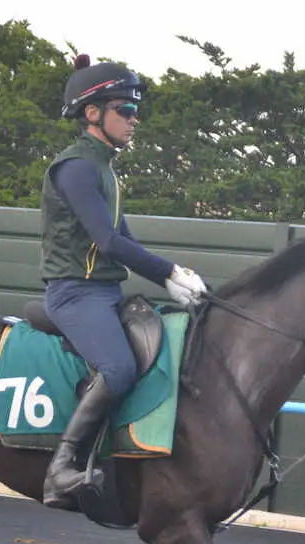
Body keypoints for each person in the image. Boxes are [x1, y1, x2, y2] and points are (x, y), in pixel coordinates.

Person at [39, 54, 208, 510]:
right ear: (93, 113)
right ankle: (61, 470)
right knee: (118, 368)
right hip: (74, 293)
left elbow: (124, 236)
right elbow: (107, 242)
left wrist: (173, 278)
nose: (134, 120)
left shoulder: (105, 167)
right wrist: (168, 272)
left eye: (135, 111)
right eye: (125, 110)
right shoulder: (76, 167)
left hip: (105, 292)